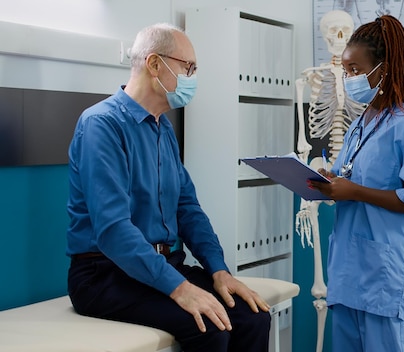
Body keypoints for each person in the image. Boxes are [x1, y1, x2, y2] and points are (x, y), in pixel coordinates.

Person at [65, 23, 271, 352]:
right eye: (187, 67)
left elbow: (188, 210)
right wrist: (179, 288)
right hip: (104, 275)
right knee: (208, 327)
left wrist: (218, 270)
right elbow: (114, 230)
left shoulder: (163, 130)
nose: (192, 77)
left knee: (253, 316)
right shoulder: (101, 126)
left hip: (161, 265)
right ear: (154, 64)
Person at [309, 15, 404, 352]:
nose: (349, 78)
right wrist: (328, 182)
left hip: (387, 277)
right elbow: (348, 177)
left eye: (356, 70)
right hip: (348, 272)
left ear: (382, 70)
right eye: (346, 71)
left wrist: (352, 191)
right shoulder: (362, 124)